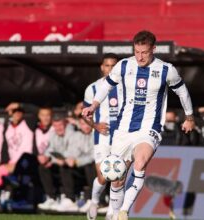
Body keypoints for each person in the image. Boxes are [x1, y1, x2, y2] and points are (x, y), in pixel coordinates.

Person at [82, 30, 195, 220]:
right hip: (123, 129)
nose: (140, 57)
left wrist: (189, 117)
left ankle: (124, 211)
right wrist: (93, 105)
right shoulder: (124, 65)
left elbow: (182, 92)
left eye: (145, 52)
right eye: (137, 52)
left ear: (154, 49)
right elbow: (107, 85)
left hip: (149, 128)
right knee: (116, 178)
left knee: (140, 163)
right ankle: (115, 213)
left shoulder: (166, 70)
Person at [82, 53, 121, 220]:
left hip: (121, 138)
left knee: (118, 176)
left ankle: (111, 213)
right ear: (102, 67)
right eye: (107, 65)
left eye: (114, 66)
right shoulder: (92, 88)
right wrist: (95, 126)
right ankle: (94, 201)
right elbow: (85, 114)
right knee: (103, 176)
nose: (110, 69)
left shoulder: (125, 86)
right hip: (102, 137)